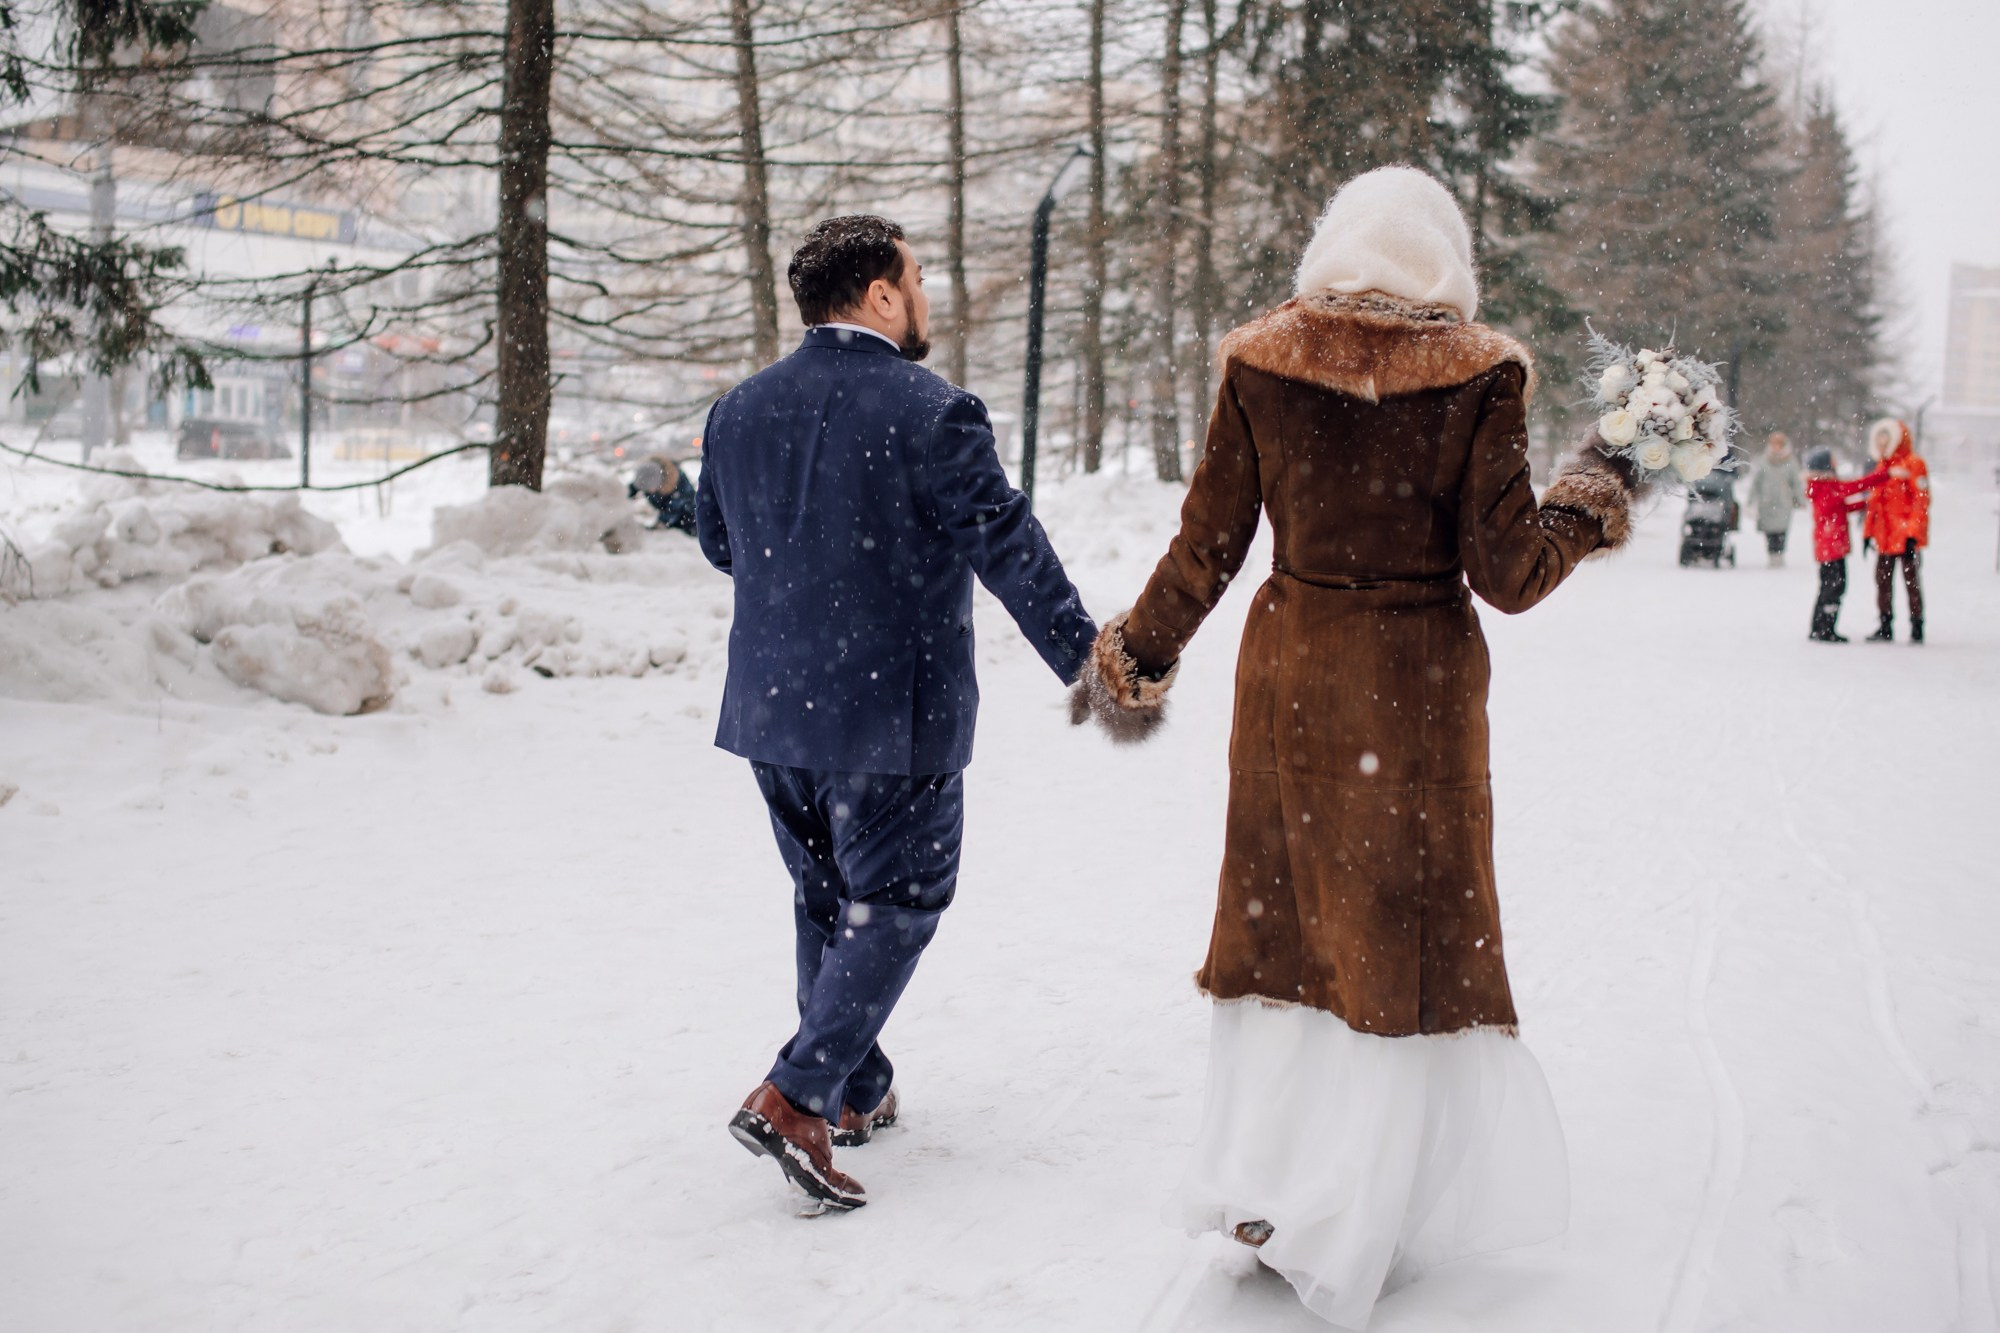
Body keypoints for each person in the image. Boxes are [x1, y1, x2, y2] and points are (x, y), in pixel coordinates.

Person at [1070, 166, 1643, 1329]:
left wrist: (1136, 648)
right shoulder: (1476, 373)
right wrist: (1596, 489)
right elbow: (1509, 573)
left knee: (1284, 929)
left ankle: (1264, 1183)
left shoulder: (1260, 362)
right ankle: (1365, 1205)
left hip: (1290, 680)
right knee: (1394, 941)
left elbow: (1207, 544)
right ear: (1443, 258)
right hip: (1414, 687)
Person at [695, 215, 1097, 1211]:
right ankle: (794, 1098)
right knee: (896, 902)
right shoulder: (932, 412)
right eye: (915, 280)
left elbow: (719, 544)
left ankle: (854, 1087)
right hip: (889, 713)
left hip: (773, 712)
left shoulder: (737, 412)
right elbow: (1005, 542)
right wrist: (1089, 660)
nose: (924, 298)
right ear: (879, 294)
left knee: (828, 902)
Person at [1803, 447, 1885, 642]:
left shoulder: (1826, 487)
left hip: (1831, 546)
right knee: (1834, 587)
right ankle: (1824, 628)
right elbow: (1851, 489)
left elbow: (1841, 507)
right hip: (1830, 548)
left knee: (1830, 587)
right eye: (1833, 461)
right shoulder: (1825, 487)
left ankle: (1820, 626)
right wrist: (1880, 476)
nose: (1836, 464)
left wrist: (1866, 504)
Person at [1861, 417, 1930, 644]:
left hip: (1904, 536)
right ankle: (1885, 624)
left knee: (1911, 581)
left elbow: (1921, 502)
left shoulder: (1914, 464)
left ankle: (1916, 625)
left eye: (1885, 436)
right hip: (1885, 536)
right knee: (1882, 581)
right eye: (1878, 437)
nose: (1881, 441)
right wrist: (1868, 532)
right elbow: (1875, 502)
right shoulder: (1883, 466)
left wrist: (1912, 534)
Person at [1748, 431, 1805, 566]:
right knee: (1769, 530)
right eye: (1774, 444)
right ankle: (1771, 553)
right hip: (1767, 501)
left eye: (1779, 444)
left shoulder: (1790, 462)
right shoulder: (1764, 460)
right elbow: (1756, 482)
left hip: (1783, 502)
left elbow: (1796, 483)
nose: (1776, 447)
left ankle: (1779, 554)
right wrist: (1750, 499)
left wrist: (1800, 499)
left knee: (1781, 530)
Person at [629, 455, 696, 534]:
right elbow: (634, 487)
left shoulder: (678, 484)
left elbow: (675, 507)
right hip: (668, 514)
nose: (650, 491)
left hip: (688, 516)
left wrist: (661, 523)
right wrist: (628, 494)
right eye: (646, 488)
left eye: (652, 488)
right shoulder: (646, 475)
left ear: (660, 481)